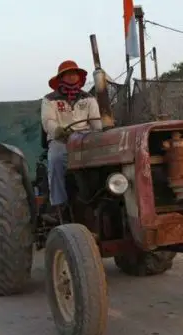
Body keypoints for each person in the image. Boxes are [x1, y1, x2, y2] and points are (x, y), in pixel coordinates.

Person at [41, 60, 103, 223]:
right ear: (61, 78)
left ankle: (101, 197)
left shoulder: (88, 99)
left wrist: (100, 133)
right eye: (68, 74)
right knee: (55, 160)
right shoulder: (50, 100)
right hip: (61, 140)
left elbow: (96, 123)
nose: (72, 76)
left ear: (79, 77)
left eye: (74, 73)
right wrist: (59, 131)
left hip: (85, 139)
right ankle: (59, 205)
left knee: (104, 160)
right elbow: (48, 122)